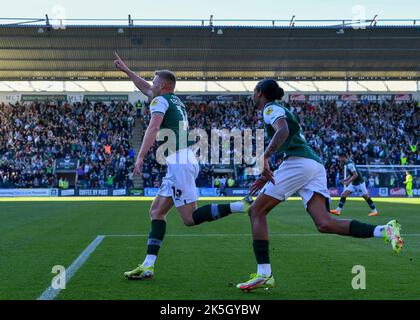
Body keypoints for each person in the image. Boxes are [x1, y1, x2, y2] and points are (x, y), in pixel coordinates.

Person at [236, 79, 403, 292]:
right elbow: (291, 141)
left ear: (259, 92)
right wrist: (273, 170)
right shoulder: (282, 108)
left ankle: (264, 274)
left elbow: (283, 131)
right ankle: (384, 230)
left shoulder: (270, 108)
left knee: (256, 211)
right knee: (324, 223)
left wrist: (265, 157)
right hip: (312, 164)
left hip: (299, 164)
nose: (252, 95)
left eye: (253, 91)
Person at [113, 53, 251, 280]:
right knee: (156, 212)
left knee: (189, 218)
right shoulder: (173, 99)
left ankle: (239, 206)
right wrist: (126, 70)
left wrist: (139, 157)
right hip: (181, 160)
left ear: (164, 85)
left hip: (179, 162)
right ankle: (148, 266)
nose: (151, 84)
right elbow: (145, 88)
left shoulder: (160, 101)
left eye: (155, 81)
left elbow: (153, 128)